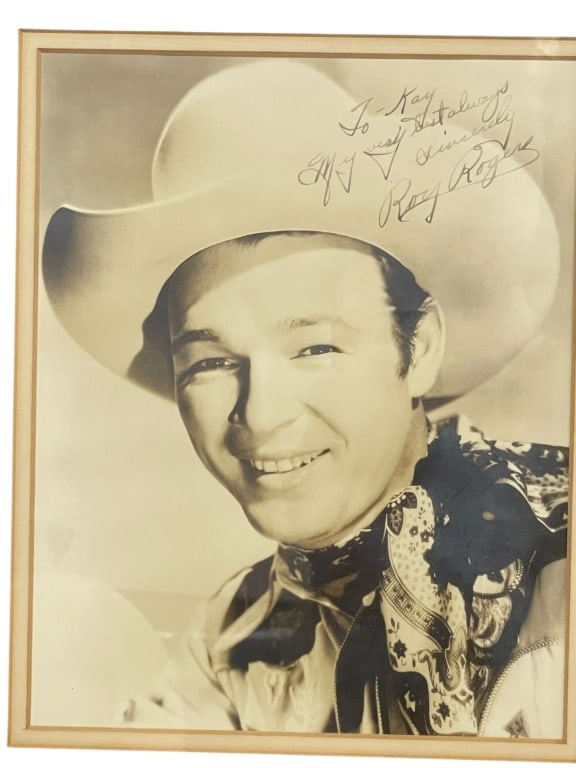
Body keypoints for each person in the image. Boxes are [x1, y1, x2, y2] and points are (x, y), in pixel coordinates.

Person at [41, 59, 569, 737]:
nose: (259, 414)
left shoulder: (556, 572)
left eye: (315, 348)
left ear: (421, 348)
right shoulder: (230, 635)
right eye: (210, 361)